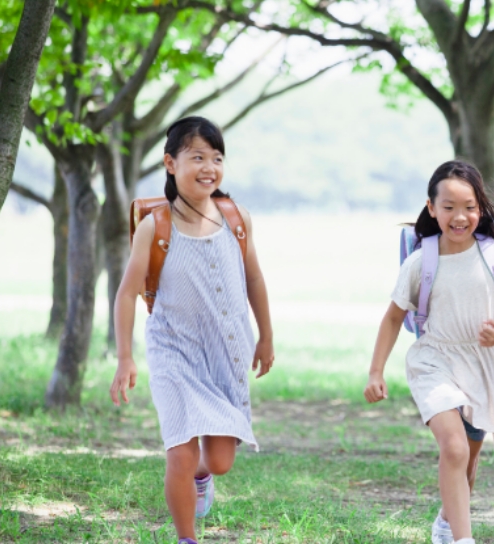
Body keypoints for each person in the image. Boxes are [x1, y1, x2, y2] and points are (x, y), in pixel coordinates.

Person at [110, 116, 275, 544]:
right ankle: (187, 538)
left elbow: (254, 278)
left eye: (217, 158)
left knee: (219, 460)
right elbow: (126, 294)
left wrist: (266, 336)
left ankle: (204, 476)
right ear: (171, 163)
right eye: (197, 157)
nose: (209, 167)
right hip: (174, 352)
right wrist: (125, 357)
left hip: (225, 351)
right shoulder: (156, 226)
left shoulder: (236, 218)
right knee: (181, 454)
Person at [364, 160, 494, 544]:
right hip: (433, 361)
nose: (460, 216)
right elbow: (392, 318)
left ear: (481, 208)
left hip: (480, 365)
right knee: (453, 448)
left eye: (469, 207)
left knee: (468, 458)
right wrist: (376, 372)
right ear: (431, 208)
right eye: (449, 207)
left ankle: (446, 522)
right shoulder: (421, 261)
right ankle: (463, 539)